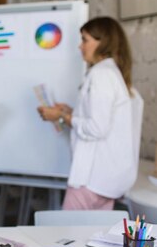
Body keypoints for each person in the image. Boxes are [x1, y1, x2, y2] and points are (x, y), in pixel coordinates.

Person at [37, 16, 143, 210]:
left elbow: (96, 127)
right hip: (109, 179)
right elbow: (103, 117)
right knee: (93, 238)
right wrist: (71, 111)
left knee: (64, 236)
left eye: (85, 40)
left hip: (93, 178)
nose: (80, 46)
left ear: (102, 42)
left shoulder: (101, 75)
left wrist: (60, 117)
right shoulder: (113, 73)